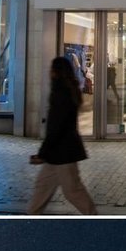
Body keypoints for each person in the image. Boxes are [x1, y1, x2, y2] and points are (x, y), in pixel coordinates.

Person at [27, 56, 97, 215]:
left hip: (63, 153)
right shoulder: (69, 90)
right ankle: (31, 217)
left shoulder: (60, 93)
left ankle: (93, 217)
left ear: (56, 72)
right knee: (43, 187)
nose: (49, 72)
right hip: (58, 153)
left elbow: (55, 127)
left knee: (72, 191)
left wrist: (42, 153)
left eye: (52, 69)